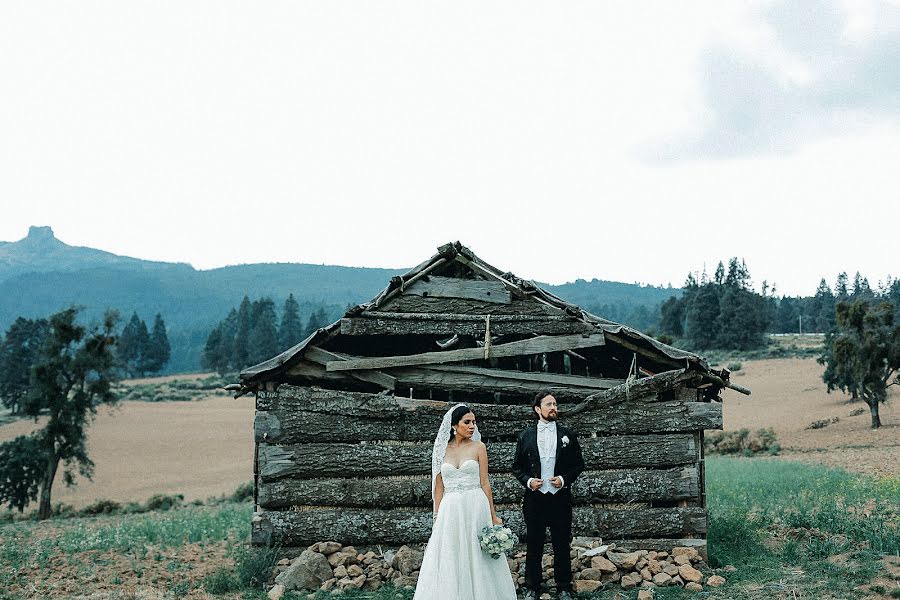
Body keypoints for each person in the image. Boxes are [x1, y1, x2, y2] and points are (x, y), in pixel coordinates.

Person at [413, 403, 517, 600]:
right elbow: (439, 487)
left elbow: (485, 483)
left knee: (477, 554)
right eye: (467, 422)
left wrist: (493, 515)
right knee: (451, 553)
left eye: (473, 422)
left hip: (475, 505)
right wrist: (437, 517)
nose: (472, 426)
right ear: (454, 425)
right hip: (451, 508)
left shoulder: (479, 447)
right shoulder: (441, 450)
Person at [511, 391, 585, 600]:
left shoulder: (567, 434)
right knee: (534, 543)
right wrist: (528, 481)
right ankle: (533, 587)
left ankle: (563, 587)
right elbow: (517, 467)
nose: (553, 407)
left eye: (555, 404)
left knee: (561, 542)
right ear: (538, 409)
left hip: (560, 497)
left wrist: (563, 479)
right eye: (549, 404)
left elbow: (578, 464)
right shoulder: (526, 435)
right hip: (535, 498)